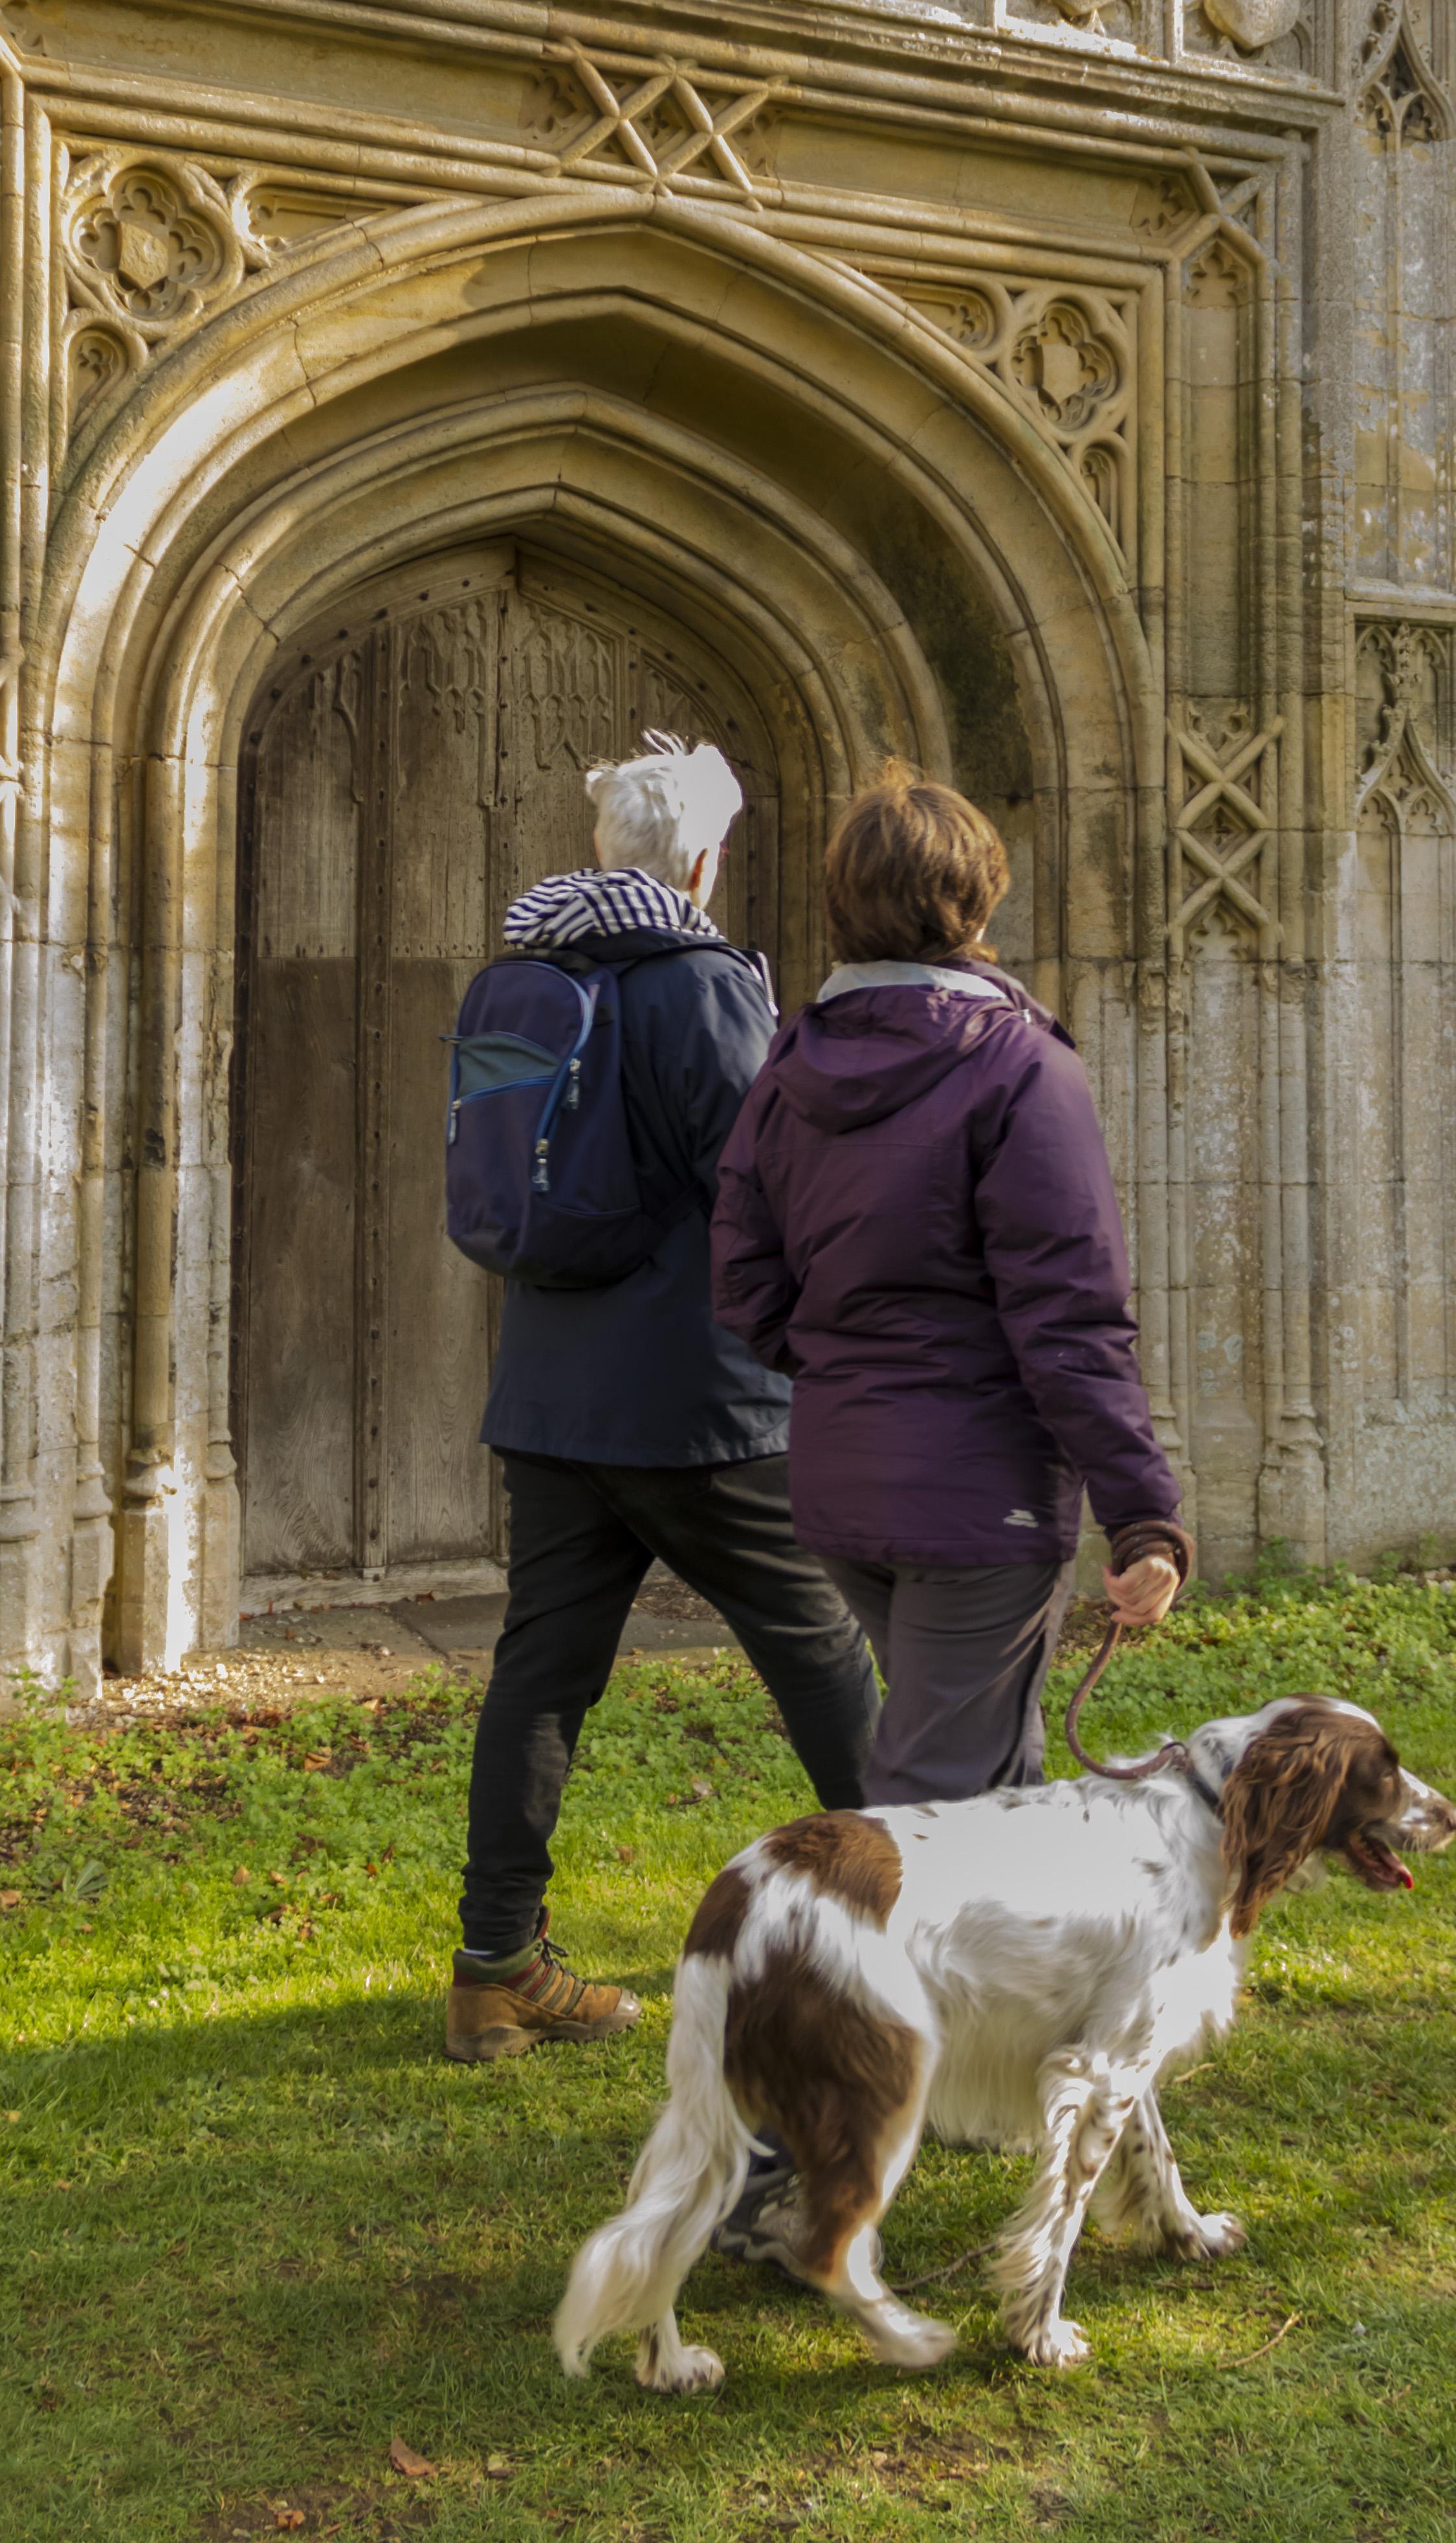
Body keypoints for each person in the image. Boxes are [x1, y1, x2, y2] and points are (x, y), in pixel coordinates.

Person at [446, 734, 881, 2067]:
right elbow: (768, 1184)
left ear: (604, 850)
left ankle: (494, 1972)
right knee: (820, 1653)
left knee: (542, 1675)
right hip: (698, 1400)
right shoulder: (697, 982)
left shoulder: (520, 973)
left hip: (551, 1392)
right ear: (701, 860)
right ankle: (947, 1936)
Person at [711, 761, 1190, 1814]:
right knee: (933, 1804)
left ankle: (1013, 1979)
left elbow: (743, 1284)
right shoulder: (1021, 1066)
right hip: (980, 1501)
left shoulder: (790, 1065)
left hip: (849, 1479)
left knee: (988, 1777)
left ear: (842, 903)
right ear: (976, 898)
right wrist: (1146, 1516)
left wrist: (851, 1369)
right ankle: (853, 1980)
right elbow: (1070, 1322)